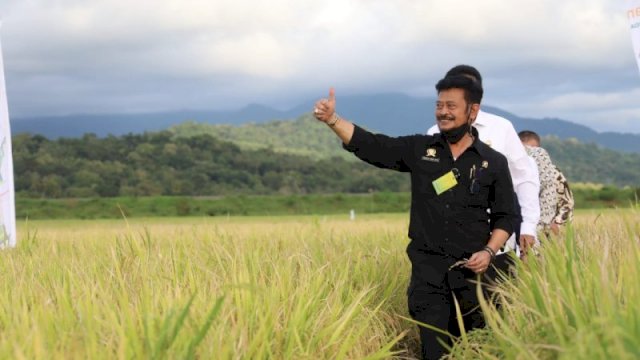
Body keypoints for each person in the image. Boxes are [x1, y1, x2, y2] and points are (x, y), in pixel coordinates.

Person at [312, 75, 520, 360]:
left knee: (475, 350)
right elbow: (373, 146)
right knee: (434, 351)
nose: (443, 112)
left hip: (474, 277)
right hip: (428, 276)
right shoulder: (422, 150)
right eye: (439, 105)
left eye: (451, 106)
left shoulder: (493, 161)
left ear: (472, 111)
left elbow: (507, 216)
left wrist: (488, 251)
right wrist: (333, 119)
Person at [427, 65, 540, 257]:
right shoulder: (434, 134)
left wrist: (528, 225)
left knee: (498, 282)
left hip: (499, 232)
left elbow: (524, 177)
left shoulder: (501, 128)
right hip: (450, 233)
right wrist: (461, 177)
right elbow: (433, 186)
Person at [518, 130, 574, 237]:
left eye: (534, 149)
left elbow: (567, 203)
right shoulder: (512, 169)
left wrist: (557, 224)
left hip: (546, 231)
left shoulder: (553, 173)